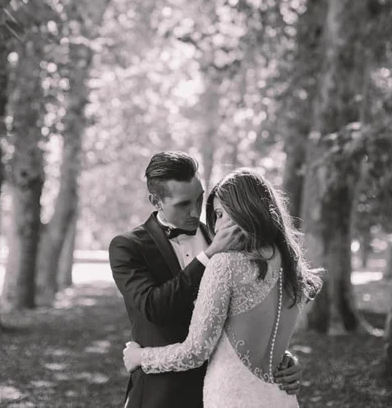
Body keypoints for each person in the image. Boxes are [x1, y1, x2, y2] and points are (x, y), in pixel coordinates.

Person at [110, 152, 302, 408]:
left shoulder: (225, 237)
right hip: (162, 394)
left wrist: (277, 356)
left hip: (224, 390)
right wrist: (208, 256)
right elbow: (154, 307)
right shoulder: (128, 247)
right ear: (156, 201)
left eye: (199, 199)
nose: (195, 211)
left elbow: (243, 315)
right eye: (183, 204)